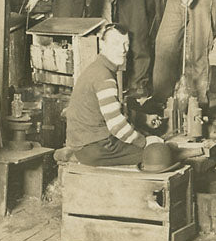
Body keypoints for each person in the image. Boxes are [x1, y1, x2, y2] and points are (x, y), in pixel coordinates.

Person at [64, 24, 163, 166]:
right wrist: (145, 142)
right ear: (102, 45)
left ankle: (72, 154)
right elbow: (116, 125)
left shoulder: (97, 68)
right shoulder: (104, 77)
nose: (122, 50)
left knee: (146, 142)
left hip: (85, 144)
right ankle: (72, 156)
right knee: (157, 153)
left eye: (126, 44)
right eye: (116, 43)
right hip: (96, 148)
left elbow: (112, 111)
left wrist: (143, 118)